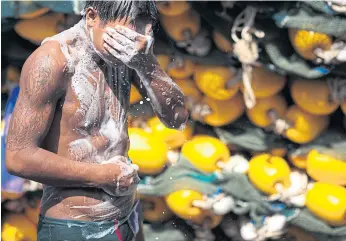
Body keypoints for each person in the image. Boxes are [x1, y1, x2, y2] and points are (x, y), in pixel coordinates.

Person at [5, 1, 189, 240]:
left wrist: (147, 64)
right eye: (122, 37)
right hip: (76, 227)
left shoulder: (129, 51)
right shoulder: (52, 61)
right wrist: (101, 176)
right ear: (92, 17)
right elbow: (18, 157)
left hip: (127, 213)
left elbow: (178, 119)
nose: (129, 47)